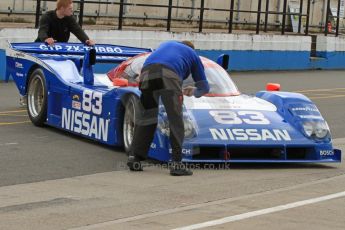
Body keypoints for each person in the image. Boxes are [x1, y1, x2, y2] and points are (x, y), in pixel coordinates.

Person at [127, 40, 210, 176]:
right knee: (176, 120)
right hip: (169, 76)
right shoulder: (193, 55)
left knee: (147, 117)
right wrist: (194, 91)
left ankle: (135, 158)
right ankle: (176, 164)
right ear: (192, 50)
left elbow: (156, 62)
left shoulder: (167, 44)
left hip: (147, 73)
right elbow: (204, 88)